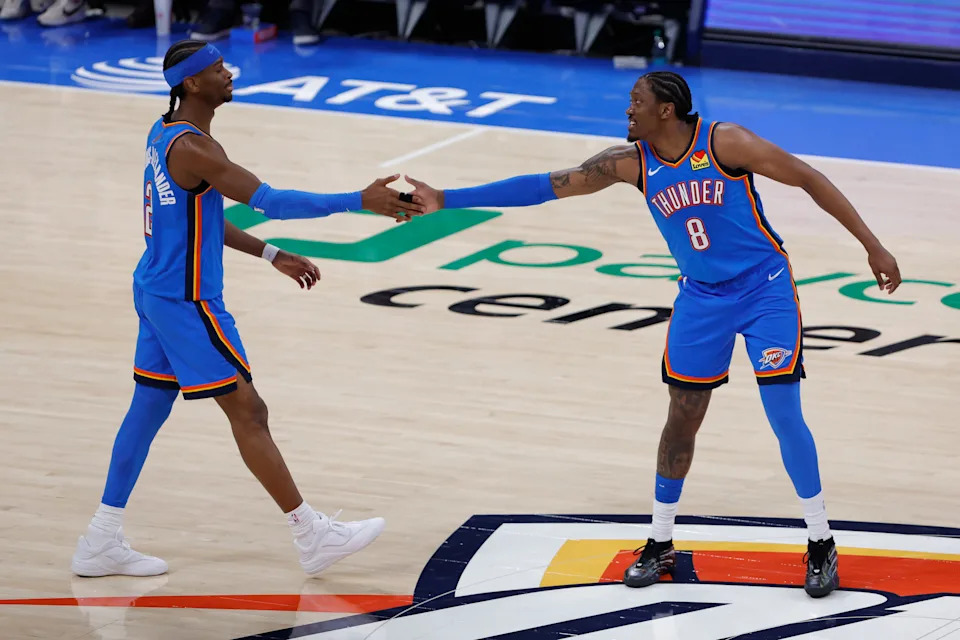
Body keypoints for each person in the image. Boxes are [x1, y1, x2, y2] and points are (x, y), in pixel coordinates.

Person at [406, 71, 901, 598]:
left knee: (783, 412)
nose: (628, 112)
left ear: (666, 110)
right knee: (682, 417)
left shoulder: (724, 141)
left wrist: (872, 245)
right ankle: (660, 540)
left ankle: (821, 540)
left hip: (765, 290)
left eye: (636, 102)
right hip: (701, 298)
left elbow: (808, 177)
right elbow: (547, 186)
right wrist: (446, 198)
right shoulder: (631, 162)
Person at [71, 39, 424, 578]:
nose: (229, 72)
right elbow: (273, 201)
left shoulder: (165, 133)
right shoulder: (195, 150)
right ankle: (311, 534)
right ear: (191, 83)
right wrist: (359, 199)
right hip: (186, 302)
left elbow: (199, 217)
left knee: (147, 410)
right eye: (217, 68)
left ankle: (100, 539)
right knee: (249, 412)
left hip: (156, 290)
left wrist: (270, 252)